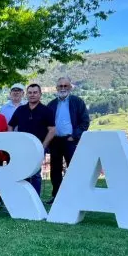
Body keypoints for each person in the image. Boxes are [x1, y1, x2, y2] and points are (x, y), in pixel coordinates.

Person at [46, 76, 90, 204]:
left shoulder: (77, 102)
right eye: (60, 86)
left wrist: (74, 136)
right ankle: (57, 196)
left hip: (70, 141)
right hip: (55, 141)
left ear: (70, 87)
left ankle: (76, 196)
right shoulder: (51, 104)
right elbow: (47, 124)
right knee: (55, 170)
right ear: (56, 88)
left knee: (74, 169)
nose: (63, 88)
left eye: (66, 86)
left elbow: (85, 122)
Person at [8, 84, 56, 196]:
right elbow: (10, 126)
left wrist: (43, 146)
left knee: (35, 174)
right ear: (27, 94)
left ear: (40, 94)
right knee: (21, 173)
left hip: (38, 148)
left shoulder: (46, 110)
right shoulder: (20, 110)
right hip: (21, 148)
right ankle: (22, 198)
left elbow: (52, 130)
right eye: (30, 92)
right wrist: (13, 142)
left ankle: (35, 200)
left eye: (35, 92)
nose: (32, 95)